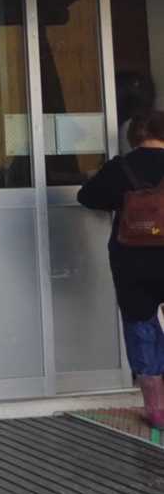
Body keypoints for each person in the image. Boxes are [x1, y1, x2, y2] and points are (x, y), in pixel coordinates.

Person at [78, 109, 164, 428]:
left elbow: (87, 197)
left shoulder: (120, 167)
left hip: (132, 259)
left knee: (141, 326)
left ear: (137, 135)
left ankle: (156, 409)